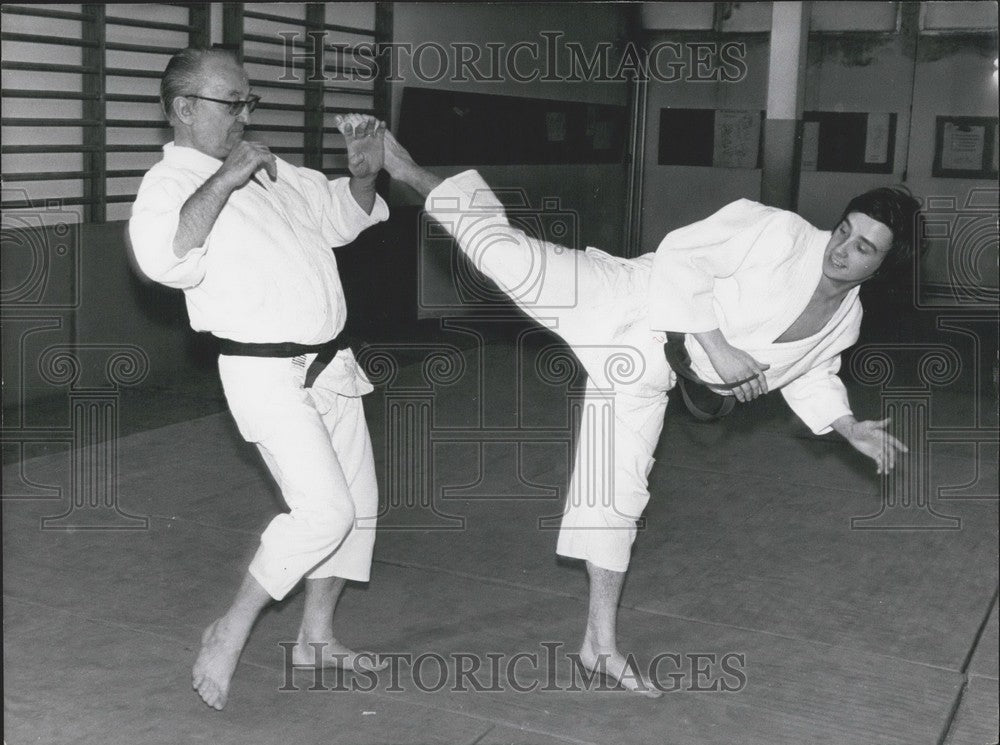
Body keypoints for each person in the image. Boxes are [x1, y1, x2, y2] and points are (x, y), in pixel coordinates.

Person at [380, 131, 919, 697]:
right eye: (844, 231)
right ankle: (409, 169)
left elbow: (813, 370)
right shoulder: (780, 232)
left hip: (643, 375)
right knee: (504, 255)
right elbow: (681, 254)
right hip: (624, 299)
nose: (841, 249)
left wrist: (845, 424)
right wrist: (718, 345)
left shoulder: (847, 321)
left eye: (863, 248)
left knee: (616, 497)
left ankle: (599, 645)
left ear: (884, 266)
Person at [129, 47, 390, 710]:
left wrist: (360, 177)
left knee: (356, 512)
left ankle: (316, 637)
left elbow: (339, 217)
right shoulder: (167, 185)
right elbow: (164, 259)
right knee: (324, 510)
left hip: (331, 364)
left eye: (249, 102)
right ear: (185, 109)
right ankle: (232, 626)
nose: (245, 115)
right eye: (232, 104)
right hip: (264, 371)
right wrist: (224, 179)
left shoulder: (270, 169)